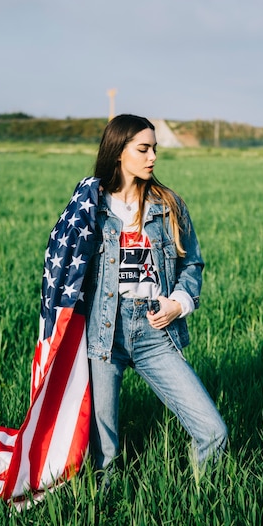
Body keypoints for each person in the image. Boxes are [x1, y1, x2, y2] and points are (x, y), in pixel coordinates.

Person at [83, 114, 228, 478]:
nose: (152, 157)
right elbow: (66, 271)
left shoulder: (168, 205)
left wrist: (179, 302)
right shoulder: (91, 208)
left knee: (213, 432)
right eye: (143, 149)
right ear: (118, 152)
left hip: (155, 334)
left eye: (154, 149)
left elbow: (191, 264)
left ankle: (201, 509)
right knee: (105, 455)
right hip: (103, 334)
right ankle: (103, 518)